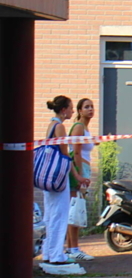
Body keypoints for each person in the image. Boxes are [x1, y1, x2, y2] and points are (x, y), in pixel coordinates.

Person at [40, 96, 90, 266]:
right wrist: (77, 176)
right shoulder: (59, 127)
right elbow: (65, 156)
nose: (71, 111)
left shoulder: (51, 126)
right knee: (59, 216)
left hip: (49, 179)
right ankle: (56, 255)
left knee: (50, 215)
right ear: (63, 110)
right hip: (58, 178)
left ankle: (48, 252)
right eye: (70, 108)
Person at [66, 98, 96, 261]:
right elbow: (76, 152)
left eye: (92, 107)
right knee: (74, 209)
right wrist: (79, 175)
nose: (90, 110)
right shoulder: (78, 127)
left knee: (76, 208)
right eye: (86, 107)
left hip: (84, 168)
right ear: (79, 111)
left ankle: (73, 248)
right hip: (79, 170)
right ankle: (73, 248)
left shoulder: (85, 128)